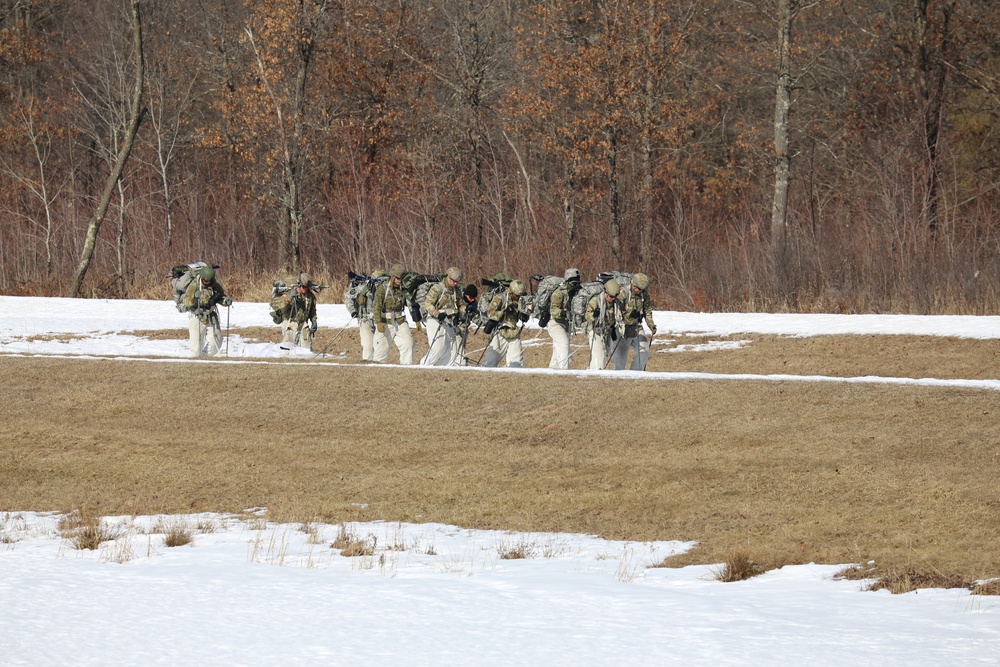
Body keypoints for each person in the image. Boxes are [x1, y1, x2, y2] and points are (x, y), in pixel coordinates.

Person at [181, 265, 232, 357]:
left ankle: (205, 358)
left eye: (209, 280)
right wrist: (195, 298)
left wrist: (225, 301)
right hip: (197, 316)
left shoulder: (214, 285)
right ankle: (196, 362)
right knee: (196, 348)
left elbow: (221, 296)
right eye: (205, 281)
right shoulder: (194, 285)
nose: (207, 282)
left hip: (210, 315)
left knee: (217, 340)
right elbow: (186, 302)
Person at [420, 267, 466, 366]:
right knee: (438, 347)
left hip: (449, 320)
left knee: (452, 347)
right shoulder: (437, 288)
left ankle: (446, 369)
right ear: (448, 278)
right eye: (453, 281)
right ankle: (424, 366)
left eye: (457, 282)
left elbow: (461, 304)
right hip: (435, 319)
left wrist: (463, 312)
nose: (455, 283)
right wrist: (437, 313)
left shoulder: (456, 291)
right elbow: (428, 304)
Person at [371, 263, 414, 364]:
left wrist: (416, 320)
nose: (399, 281)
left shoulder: (403, 288)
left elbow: (411, 303)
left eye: (401, 278)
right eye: (398, 278)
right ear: (392, 277)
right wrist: (378, 322)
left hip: (400, 320)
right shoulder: (383, 288)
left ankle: (407, 370)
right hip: (385, 322)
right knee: (380, 352)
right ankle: (377, 374)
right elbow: (376, 306)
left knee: (408, 345)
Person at [613, 272, 657, 370]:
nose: (639, 291)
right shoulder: (623, 292)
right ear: (633, 284)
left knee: (644, 350)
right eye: (638, 288)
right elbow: (616, 310)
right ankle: (618, 377)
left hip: (636, 326)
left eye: (642, 289)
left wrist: (651, 324)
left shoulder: (643, 295)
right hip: (623, 328)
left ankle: (635, 373)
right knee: (620, 358)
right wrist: (629, 315)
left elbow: (647, 309)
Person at [482, 278, 530, 368]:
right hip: (500, 332)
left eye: (520, 295)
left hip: (513, 332)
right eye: (516, 295)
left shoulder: (521, 301)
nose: (518, 297)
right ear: (511, 292)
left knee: (516, 363)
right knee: (491, 361)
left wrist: (525, 311)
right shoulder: (500, 298)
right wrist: (504, 312)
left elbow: (525, 318)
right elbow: (490, 313)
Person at [271, 273, 318, 350]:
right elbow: (281, 308)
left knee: (306, 348)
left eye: (307, 287)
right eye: (303, 287)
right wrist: (289, 298)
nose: (305, 289)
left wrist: (314, 321)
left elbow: (312, 310)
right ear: (299, 285)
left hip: (303, 325)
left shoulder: (310, 296)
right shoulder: (289, 293)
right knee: (287, 348)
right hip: (290, 325)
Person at [546, 268, 582, 369]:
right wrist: (564, 313)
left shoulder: (575, 292)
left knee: (558, 349)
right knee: (563, 345)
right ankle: (563, 370)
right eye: (573, 281)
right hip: (555, 323)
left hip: (565, 324)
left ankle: (553, 370)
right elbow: (553, 310)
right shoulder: (559, 292)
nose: (575, 284)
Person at [584, 279, 622, 370]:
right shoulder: (596, 300)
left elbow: (615, 317)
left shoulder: (615, 304)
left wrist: (613, 328)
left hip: (606, 331)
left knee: (605, 354)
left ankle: (592, 371)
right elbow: (587, 315)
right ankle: (597, 373)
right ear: (605, 292)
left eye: (614, 297)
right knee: (599, 355)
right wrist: (594, 316)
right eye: (610, 296)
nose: (612, 299)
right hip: (594, 330)